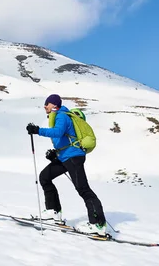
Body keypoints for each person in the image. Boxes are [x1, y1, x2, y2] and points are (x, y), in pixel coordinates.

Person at [26, 94, 107, 236]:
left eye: (47, 103)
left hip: (73, 157)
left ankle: (98, 224)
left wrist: (37, 130)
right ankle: (53, 212)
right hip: (65, 157)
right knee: (45, 177)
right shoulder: (58, 116)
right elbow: (63, 139)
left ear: (54, 105)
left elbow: (58, 133)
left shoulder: (61, 115)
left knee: (83, 189)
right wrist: (55, 155)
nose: (45, 106)